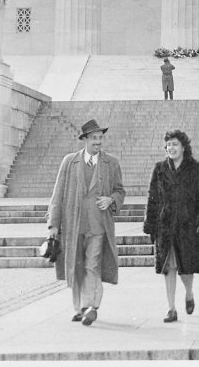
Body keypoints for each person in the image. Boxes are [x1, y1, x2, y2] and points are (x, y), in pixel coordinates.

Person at [46, 119, 126, 326]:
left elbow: (120, 191)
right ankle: (79, 308)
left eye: (100, 138)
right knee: (76, 267)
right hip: (74, 224)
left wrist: (111, 200)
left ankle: (90, 306)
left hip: (98, 226)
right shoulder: (69, 162)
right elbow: (57, 195)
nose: (98, 142)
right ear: (85, 140)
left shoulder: (111, 163)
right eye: (94, 138)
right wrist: (53, 226)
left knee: (93, 265)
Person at [143, 130, 199, 322]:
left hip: (188, 226)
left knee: (186, 268)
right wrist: (150, 225)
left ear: (183, 147)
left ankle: (189, 293)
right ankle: (171, 308)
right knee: (168, 267)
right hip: (165, 226)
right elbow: (153, 198)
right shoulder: (159, 169)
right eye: (168, 145)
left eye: (175, 144)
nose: (171, 148)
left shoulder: (198, 168)